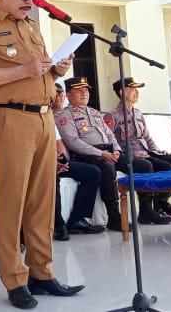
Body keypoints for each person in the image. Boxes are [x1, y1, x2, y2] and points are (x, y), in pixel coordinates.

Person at [0, 0, 82, 308]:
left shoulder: (31, 26)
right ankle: (15, 281)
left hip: (44, 118)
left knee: (43, 201)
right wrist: (25, 70)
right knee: (12, 203)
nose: (30, 0)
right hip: (10, 120)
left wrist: (57, 69)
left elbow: (40, 71)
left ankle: (41, 273)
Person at [57, 77, 170, 227]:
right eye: (79, 91)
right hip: (87, 155)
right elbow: (74, 142)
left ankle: (146, 210)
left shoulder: (95, 113)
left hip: (109, 152)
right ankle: (114, 216)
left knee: (144, 166)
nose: (84, 93)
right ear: (69, 95)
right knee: (106, 167)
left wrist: (116, 149)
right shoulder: (64, 115)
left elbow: (110, 135)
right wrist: (101, 153)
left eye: (86, 90)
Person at [105, 77, 171, 217]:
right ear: (122, 92)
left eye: (137, 89)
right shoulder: (112, 116)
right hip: (130, 155)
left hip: (147, 152)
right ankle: (148, 210)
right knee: (163, 166)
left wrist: (157, 150)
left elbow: (147, 137)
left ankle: (162, 202)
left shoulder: (138, 113)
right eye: (133, 89)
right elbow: (110, 141)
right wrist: (130, 154)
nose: (137, 92)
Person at [49, 82, 105, 241]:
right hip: (42, 163)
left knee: (93, 172)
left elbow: (59, 144)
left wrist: (63, 160)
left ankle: (77, 220)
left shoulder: (47, 115)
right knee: (51, 178)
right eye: (55, 93)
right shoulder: (33, 115)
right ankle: (58, 224)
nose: (57, 96)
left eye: (59, 93)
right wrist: (51, 161)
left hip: (57, 160)